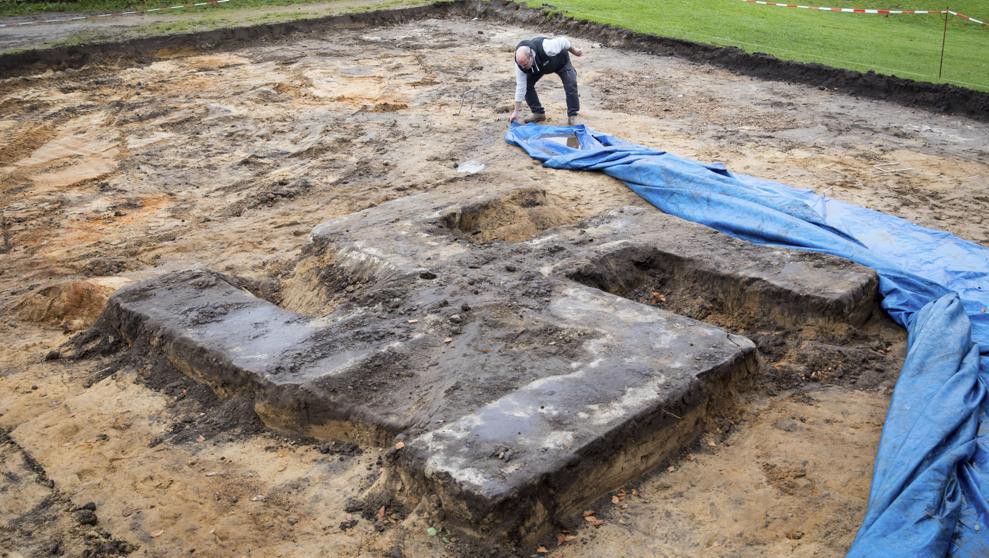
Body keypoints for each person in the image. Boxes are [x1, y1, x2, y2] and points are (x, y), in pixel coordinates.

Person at [509, 36, 583, 126]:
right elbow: (521, 87)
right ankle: (538, 113)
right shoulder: (521, 65)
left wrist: (575, 51)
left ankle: (572, 115)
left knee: (570, 82)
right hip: (539, 68)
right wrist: (516, 111)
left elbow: (564, 42)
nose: (523, 67)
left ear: (531, 56)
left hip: (560, 62)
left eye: (525, 64)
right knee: (527, 85)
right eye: (521, 65)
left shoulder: (547, 46)